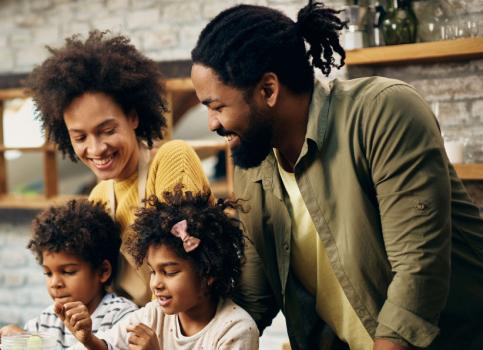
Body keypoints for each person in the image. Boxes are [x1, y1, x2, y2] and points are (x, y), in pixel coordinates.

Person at [190, 2, 483, 350]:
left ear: (268, 90)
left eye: (218, 107)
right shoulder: (252, 163)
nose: (212, 124)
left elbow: (418, 274)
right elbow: (253, 299)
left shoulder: (384, 112)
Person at [26, 30, 212, 306]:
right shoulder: (99, 196)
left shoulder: (172, 159)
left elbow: (184, 271)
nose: (96, 148)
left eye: (108, 130)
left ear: (133, 117)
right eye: (80, 137)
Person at [59, 186, 259, 350]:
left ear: (209, 272)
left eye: (169, 272)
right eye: (153, 271)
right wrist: (88, 339)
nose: (155, 284)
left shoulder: (235, 330)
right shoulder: (154, 315)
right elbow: (111, 345)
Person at [0, 199, 138, 350]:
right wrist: (0, 338)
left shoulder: (122, 315)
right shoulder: (48, 319)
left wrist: (89, 340)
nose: (55, 283)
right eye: (48, 273)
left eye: (68, 272)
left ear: (102, 271)